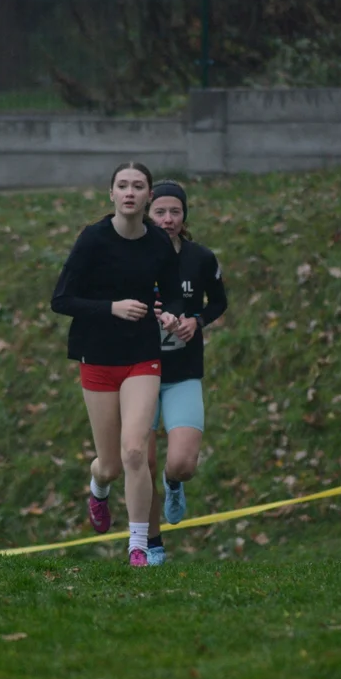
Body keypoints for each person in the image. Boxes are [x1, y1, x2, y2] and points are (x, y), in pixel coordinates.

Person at [50, 162, 184, 567]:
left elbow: (176, 295)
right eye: (122, 185)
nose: (129, 192)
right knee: (109, 465)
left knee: (134, 453)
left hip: (142, 356)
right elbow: (61, 300)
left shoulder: (159, 243)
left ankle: (138, 545)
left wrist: (172, 315)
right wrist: (112, 307)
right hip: (97, 357)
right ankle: (98, 487)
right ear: (111, 194)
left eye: (137, 186)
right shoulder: (93, 239)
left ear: (147, 198)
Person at [144, 179, 229, 566]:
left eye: (174, 212)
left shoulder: (201, 257)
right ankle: (152, 545)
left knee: (181, 463)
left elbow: (219, 302)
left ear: (184, 215)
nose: (166, 219)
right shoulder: (130, 257)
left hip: (183, 372)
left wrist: (197, 319)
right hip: (137, 373)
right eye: (159, 211)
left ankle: (173, 484)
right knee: (138, 463)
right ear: (147, 213)